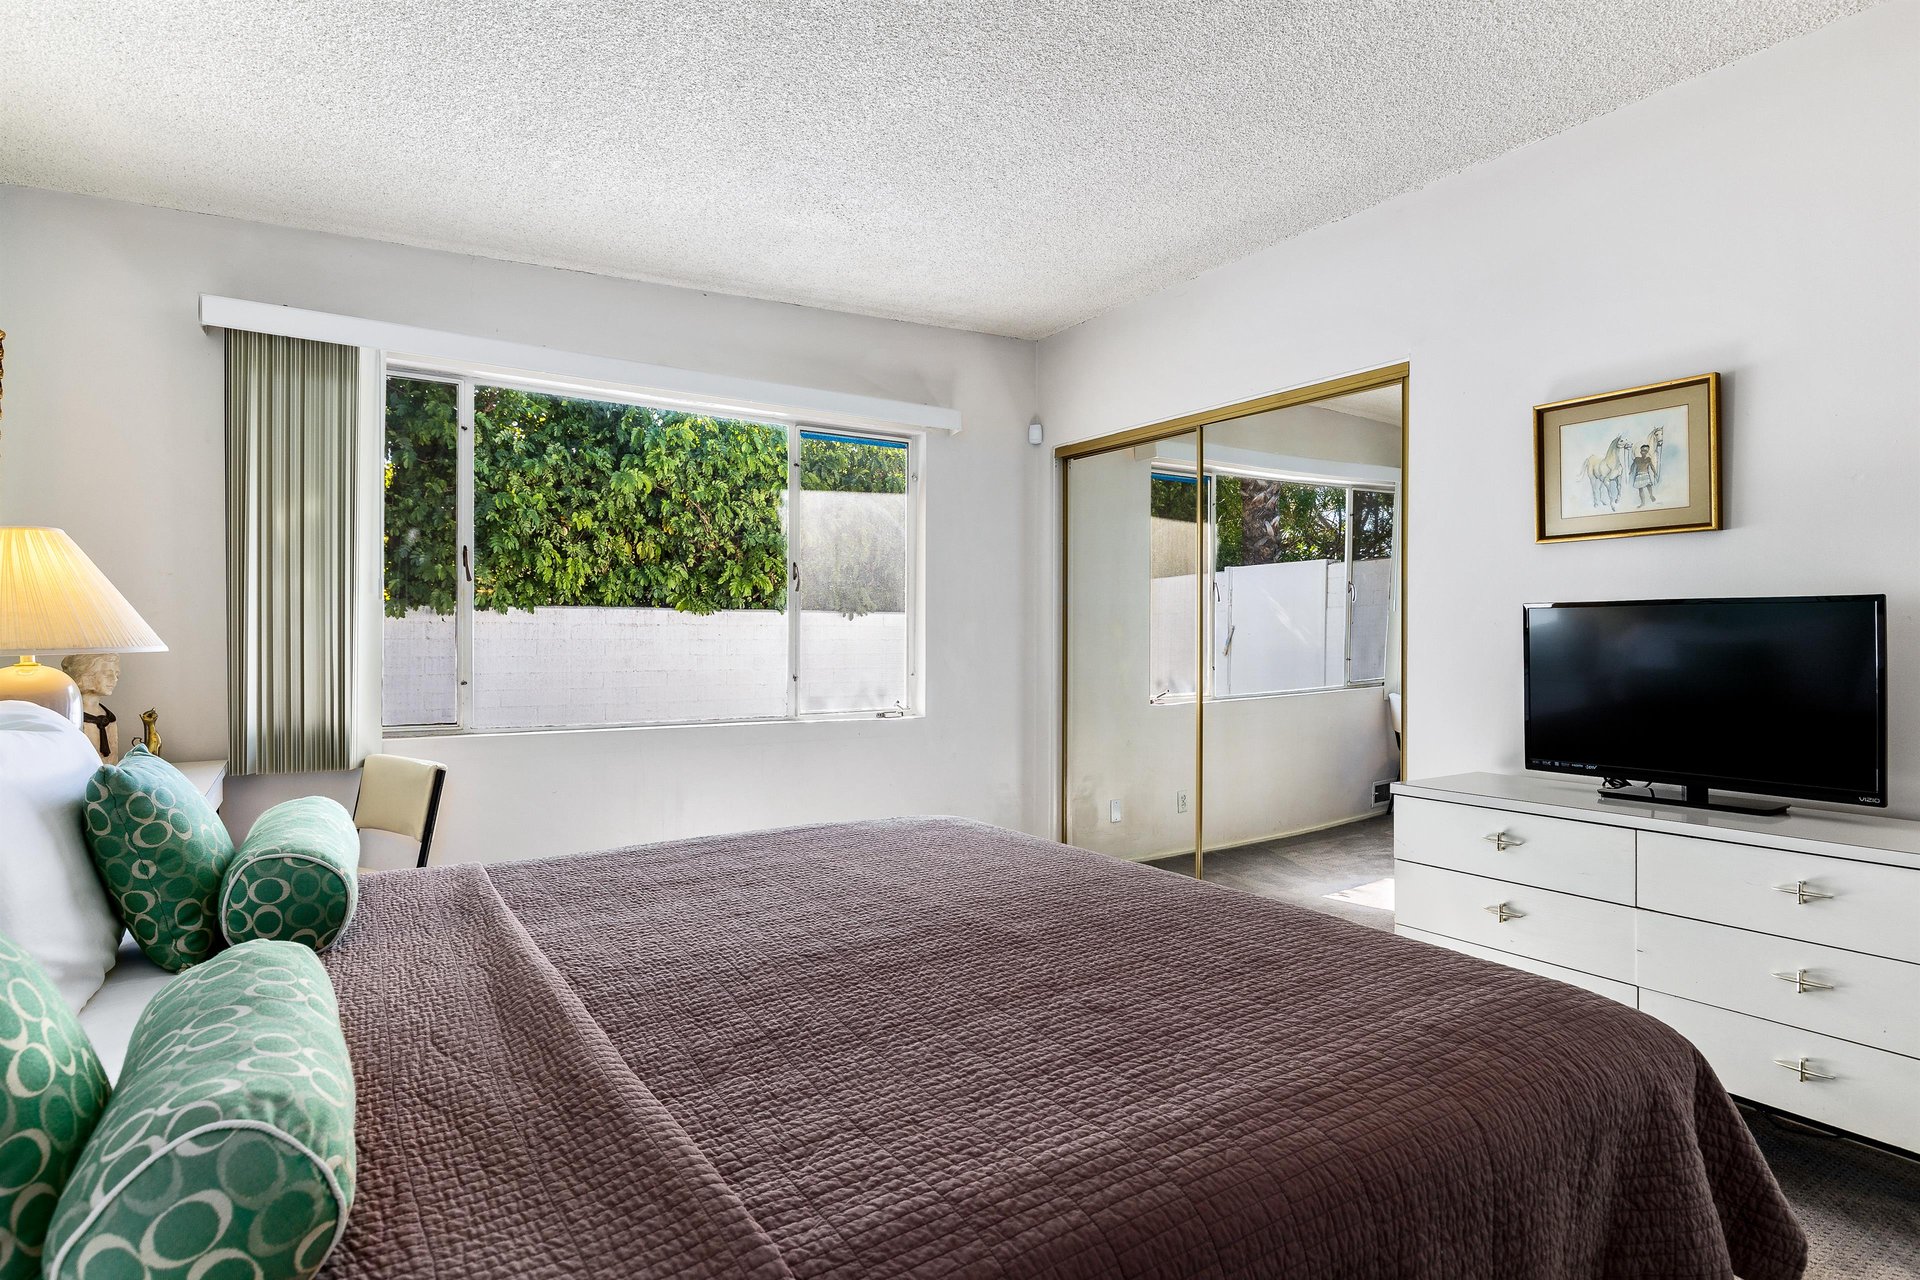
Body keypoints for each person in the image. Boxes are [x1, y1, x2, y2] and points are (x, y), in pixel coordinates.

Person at [1630, 443, 1659, 507]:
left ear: (1647, 452)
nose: (1643, 452)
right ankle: (1643, 503)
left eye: (1645, 451)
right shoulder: (1637, 459)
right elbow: (1632, 465)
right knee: (1640, 489)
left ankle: (1651, 495)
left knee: (1648, 485)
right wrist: (1630, 471)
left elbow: (1652, 466)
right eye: (1642, 450)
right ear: (1640, 451)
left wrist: (1655, 473)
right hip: (1639, 475)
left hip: (1646, 474)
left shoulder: (1648, 459)